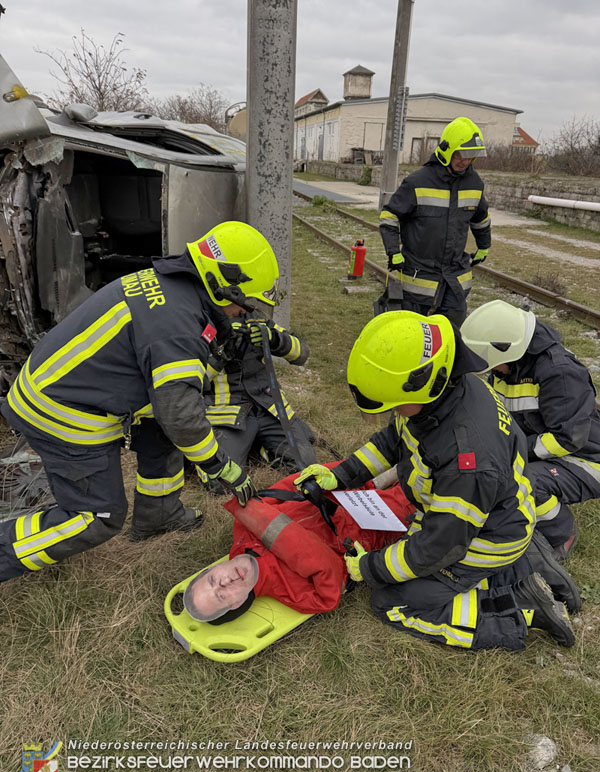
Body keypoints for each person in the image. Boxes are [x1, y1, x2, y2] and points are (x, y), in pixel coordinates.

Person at [0, 221, 278, 583]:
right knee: (97, 517)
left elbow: (173, 392)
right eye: (245, 303)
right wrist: (220, 466)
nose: (245, 312)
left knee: (161, 425)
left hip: (59, 390)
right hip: (61, 413)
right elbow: (180, 415)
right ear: (225, 287)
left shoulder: (173, 288)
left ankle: (158, 516)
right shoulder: (178, 324)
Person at [295, 311, 579, 651]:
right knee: (403, 561)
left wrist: (370, 568)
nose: (394, 412)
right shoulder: (443, 391)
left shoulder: (467, 459)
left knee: (393, 602)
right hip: (488, 518)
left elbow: (440, 546)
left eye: (397, 405)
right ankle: (525, 567)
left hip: (481, 540)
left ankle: (520, 609)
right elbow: (393, 440)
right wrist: (340, 475)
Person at [461, 299, 600, 562]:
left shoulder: (559, 373)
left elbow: (567, 439)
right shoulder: (511, 366)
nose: (490, 369)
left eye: (491, 362)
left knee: (523, 482)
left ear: (506, 348)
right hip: (548, 450)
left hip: (586, 459)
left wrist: (512, 450)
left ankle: (561, 532)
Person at [183, 467, 416, 622]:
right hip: (371, 525)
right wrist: (275, 530)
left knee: (394, 453)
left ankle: (381, 477)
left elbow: (286, 488)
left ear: (213, 568)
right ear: (237, 603)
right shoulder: (293, 594)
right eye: (222, 596)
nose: (224, 583)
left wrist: (339, 473)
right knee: (421, 487)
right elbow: (331, 579)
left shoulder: (243, 528)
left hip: (337, 491)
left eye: (212, 580)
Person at [378, 117, 491, 326]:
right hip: (419, 273)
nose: (465, 161)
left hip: (454, 274)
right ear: (447, 150)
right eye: (461, 155)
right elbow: (390, 216)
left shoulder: (474, 183)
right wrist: (393, 251)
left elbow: (481, 218)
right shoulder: (417, 182)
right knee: (413, 328)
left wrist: (484, 246)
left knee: (452, 326)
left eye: (471, 156)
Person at [197, 314, 316, 495]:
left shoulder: (258, 320)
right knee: (220, 483)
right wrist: (221, 352)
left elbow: (302, 353)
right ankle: (253, 444)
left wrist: (273, 338)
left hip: (269, 407)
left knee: (306, 466)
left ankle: (258, 445)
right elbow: (196, 379)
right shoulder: (201, 324)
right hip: (228, 414)